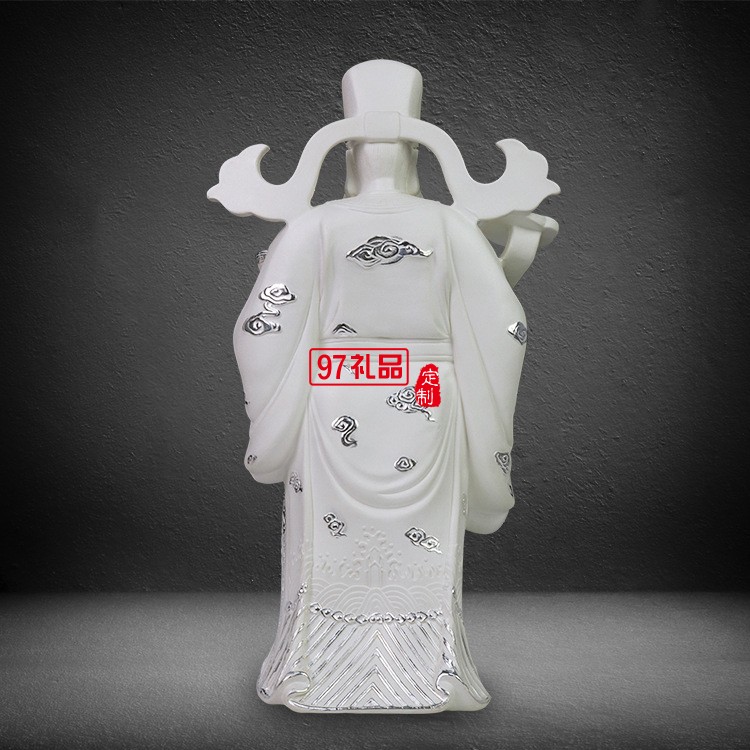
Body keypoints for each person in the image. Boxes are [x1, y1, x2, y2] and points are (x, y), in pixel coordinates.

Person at [229, 61, 550, 713]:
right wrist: (510, 259)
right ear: (421, 152)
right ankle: (432, 675)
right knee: (420, 550)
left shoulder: (312, 227)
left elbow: (262, 327)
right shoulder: (450, 227)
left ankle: (313, 673)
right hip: (427, 399)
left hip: (333, 401)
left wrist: (273, 411)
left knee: (328, 549)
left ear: (345, 152)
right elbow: (504, 324)